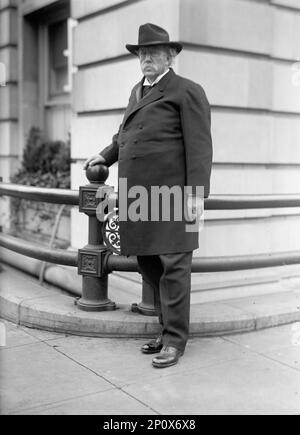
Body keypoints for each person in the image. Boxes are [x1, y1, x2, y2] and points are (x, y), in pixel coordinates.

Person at [84, 23, 213, 368]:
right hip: (138, 196)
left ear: (171, 56)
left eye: (154, 52)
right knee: (148, 263)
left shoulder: (187, 91)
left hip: (173, 196)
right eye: (142, 53)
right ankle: (166, 329)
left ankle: (174, 341)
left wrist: (196, 196)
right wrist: (105, 156)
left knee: (174, 268)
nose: (146, 59)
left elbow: (200, 147)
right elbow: (125, 134)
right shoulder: (136, 91)